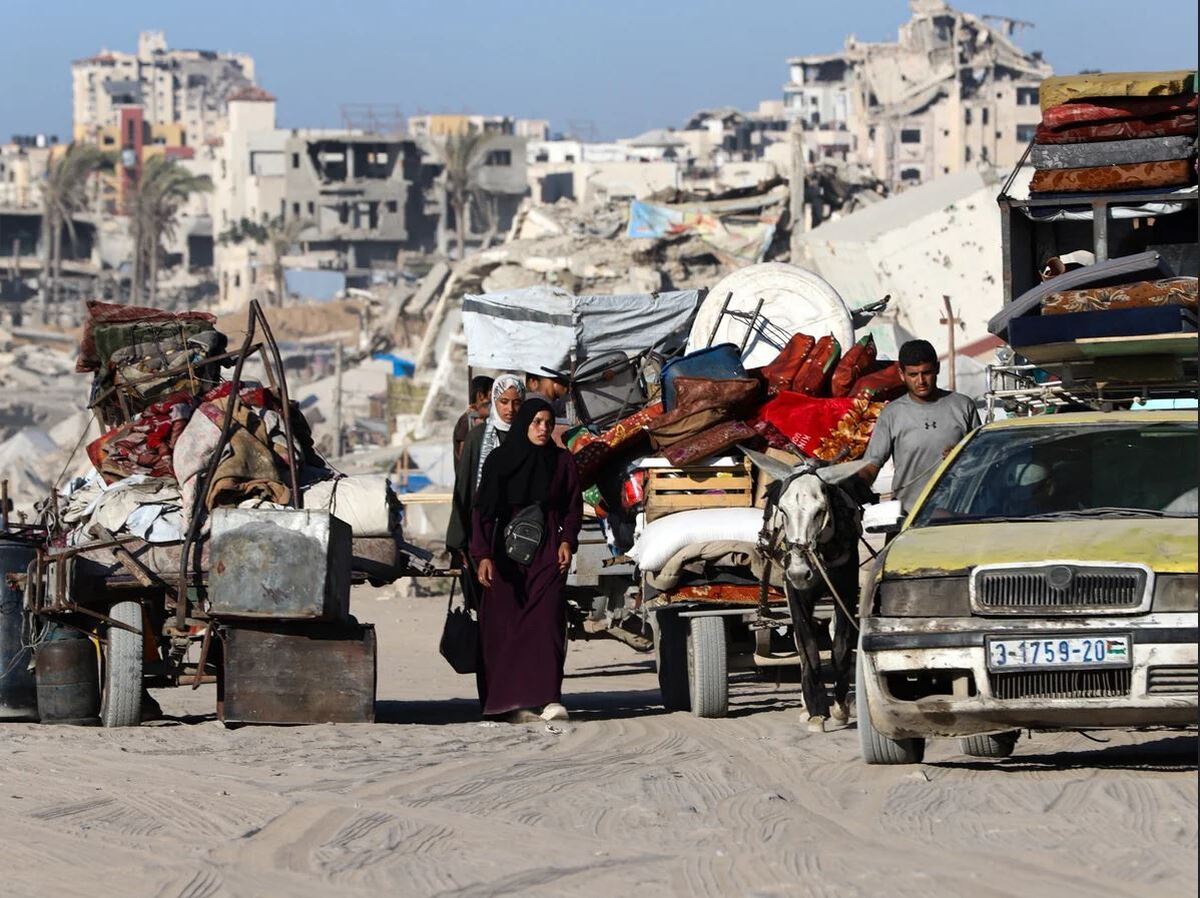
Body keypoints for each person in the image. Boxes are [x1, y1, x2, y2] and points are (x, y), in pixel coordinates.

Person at [470, 397, 583, 724]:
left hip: (547, 551)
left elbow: (572, 507)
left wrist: (567, 540)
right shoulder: (500, 460)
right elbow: (483, 512)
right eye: (537, 422)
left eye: (548, 423)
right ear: (524, 425)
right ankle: (506, 701)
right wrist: (483, 555)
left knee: (547, 622)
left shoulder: (562, 462)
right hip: (505, 555)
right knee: (504, 626)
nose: (543, 429)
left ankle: (548, 698)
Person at [858, 339, 981, 514]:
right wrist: (852, 487)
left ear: (937, 368)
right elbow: (871, 465)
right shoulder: (891, 413)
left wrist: (962, 457)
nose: (921, 381)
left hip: (958, 515)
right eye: (913, 374)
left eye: (926, 373)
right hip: (909, 517)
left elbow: (984, 458)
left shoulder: (963, 406)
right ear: (902, 374)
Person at [446, 374, 525, 612]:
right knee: (485, 604)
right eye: (504, 402)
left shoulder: (529, 437)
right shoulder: (477, 438)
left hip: (521, 535)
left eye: (516, 403)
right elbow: (463, 489)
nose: (510, 409)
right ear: (493, 401)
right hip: (483, 535)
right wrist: (458, 541)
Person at [452, 376, 494, 461]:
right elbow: (464, 457)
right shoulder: (467, 421)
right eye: (492, 393)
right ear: (480, 395)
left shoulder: (484, 418)